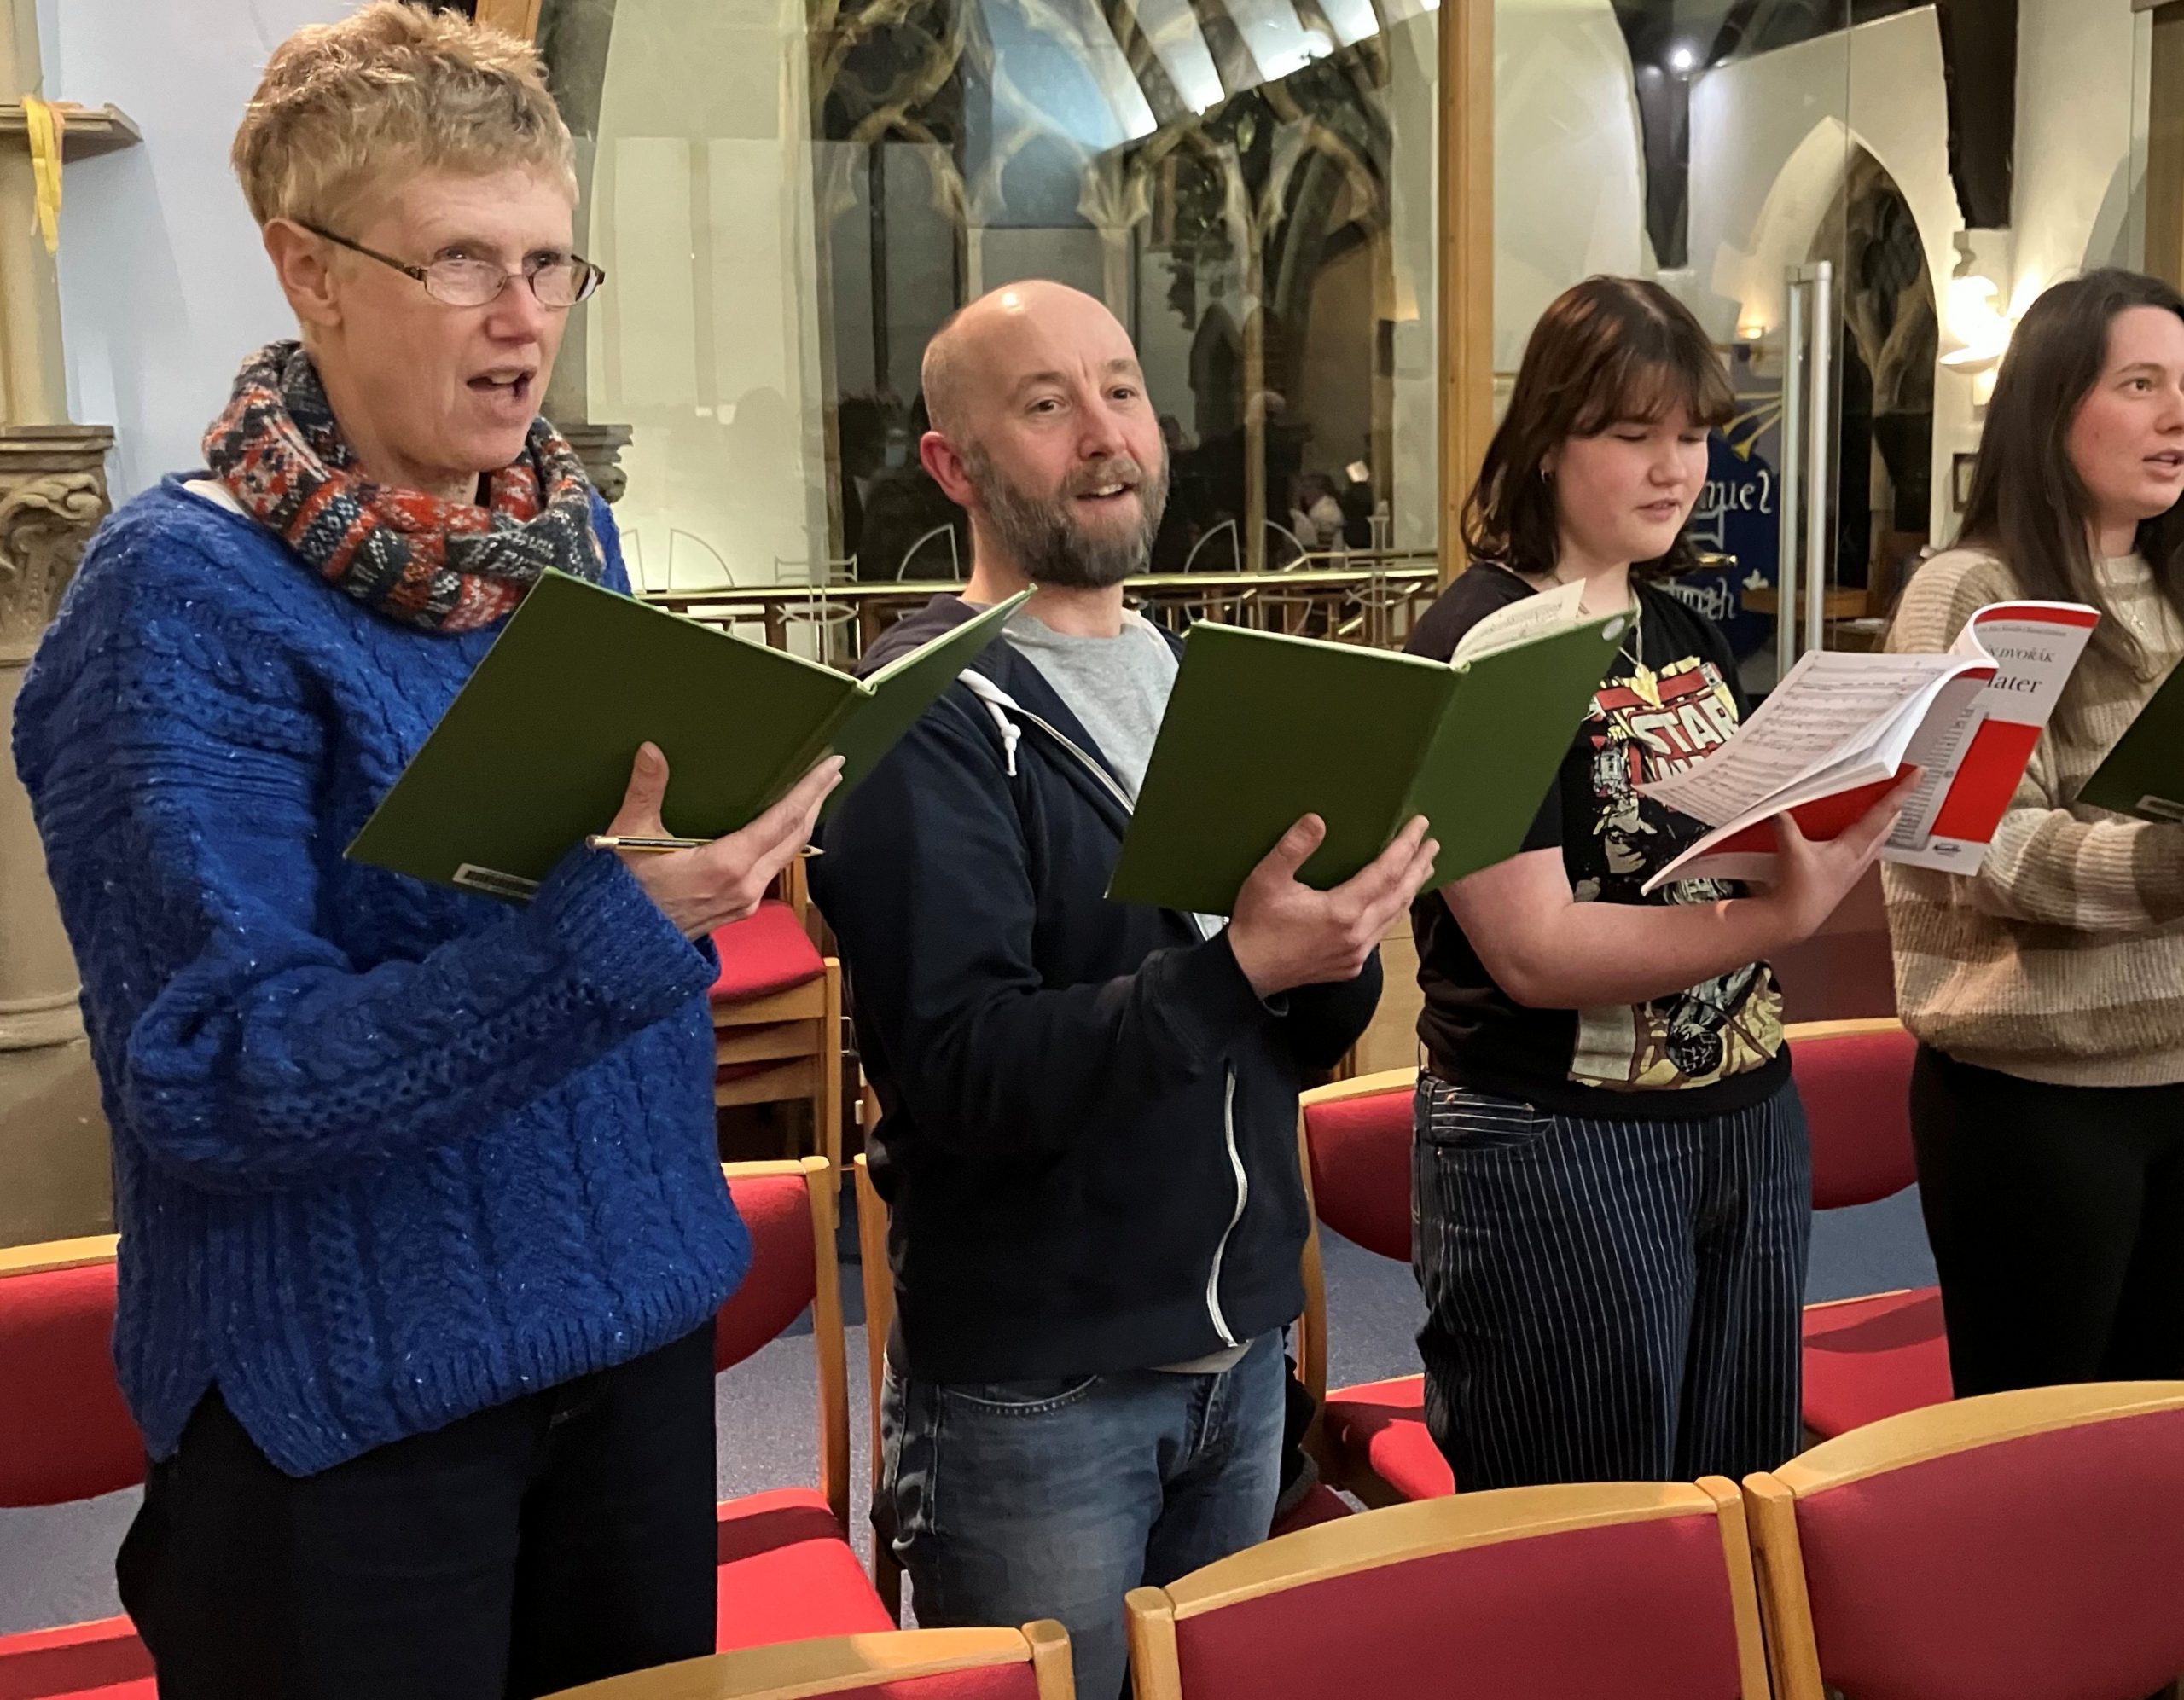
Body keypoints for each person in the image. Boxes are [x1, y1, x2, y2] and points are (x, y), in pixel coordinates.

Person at [10, 9, 837, 1697]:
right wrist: (611, 934)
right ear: (307, 269)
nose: (524, 321)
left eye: (548, 261)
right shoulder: (180, 600)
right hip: (355, 1403)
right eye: (463, 260)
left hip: (626, 1334)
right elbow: (217, 1077)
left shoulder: (559, 537)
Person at [810, 280, 1438, 1699]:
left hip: (1238, 1346)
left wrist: (1338, 948)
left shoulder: (1189, 676)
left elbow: (1283, 1036)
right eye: (1046, 406)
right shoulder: (925, 711)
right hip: (1043, 1384)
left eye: (1121, 391)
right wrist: (1241, 969)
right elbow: (969, 1071)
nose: (1105, 437)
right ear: (952, 465)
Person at [1403, 276, 1913, 1491]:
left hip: (1740, 1113)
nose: (1674, 465)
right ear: (1544, 443)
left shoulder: (1682, 626)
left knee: (1736, 1498)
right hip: (1558, 1138)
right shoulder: (1481, 641)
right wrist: (1781, 914)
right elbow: (1532, 949)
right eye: (1632, 434)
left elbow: (1699, 860)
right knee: (1591, 1529)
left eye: (1691, 434)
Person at [1883, 268, 2184, 1395]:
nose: (2176, 415)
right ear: (2053, 408)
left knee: (2166, 1455)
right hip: (2040, 1100)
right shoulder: (1978, 593)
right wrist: (2168, 864)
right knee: (2041, 1458)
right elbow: (1977, 850)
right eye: (2142, 383)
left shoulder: (2172, 584)